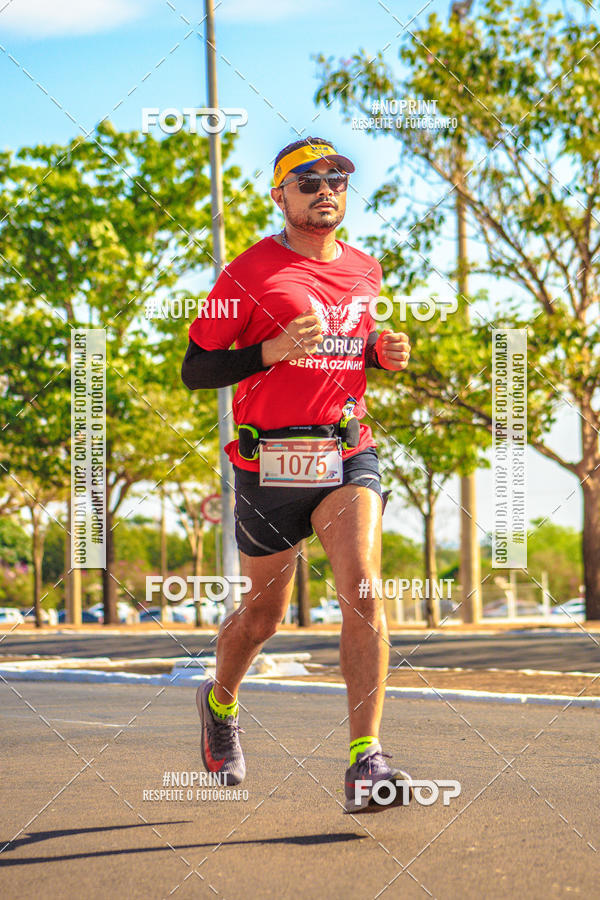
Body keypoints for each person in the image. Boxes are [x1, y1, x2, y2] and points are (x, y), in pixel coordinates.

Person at [181, 137, 413, 813]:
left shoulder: (365, 271)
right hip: (268, 460)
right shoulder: (246, 272)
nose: (325, 189)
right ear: (278, 196)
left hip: (345, 451)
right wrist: (268, 350)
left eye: (337, 177)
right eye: (307, 180)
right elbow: (196, 369)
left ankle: (365, 762)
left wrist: (378, 350)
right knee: (263, 618)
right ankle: (220, 702)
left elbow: (343, 351)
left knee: (364, 587)